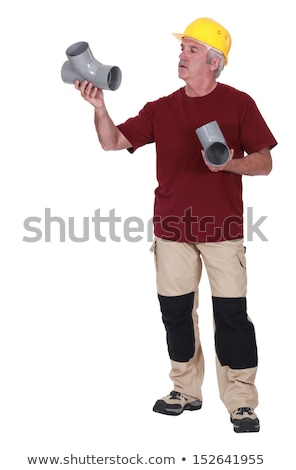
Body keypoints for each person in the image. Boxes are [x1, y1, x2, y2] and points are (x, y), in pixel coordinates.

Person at [74, 17, 277, 433]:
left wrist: (228, 163)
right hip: (171, 231)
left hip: (222, 231)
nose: (181, 55)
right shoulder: (162, 108)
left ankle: (241, 401)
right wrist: (100, 108)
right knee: (176, 313)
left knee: (232, 316)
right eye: (182, 48)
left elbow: (266, 162)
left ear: (215, 63)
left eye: (192, 50)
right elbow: (113, 142)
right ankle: (186, 391)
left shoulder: (239, 103)